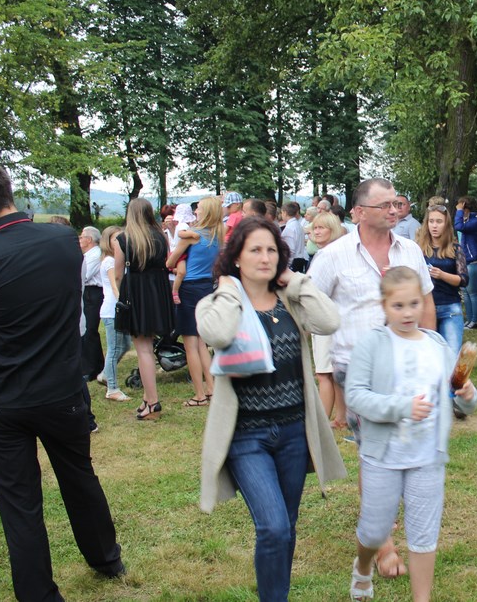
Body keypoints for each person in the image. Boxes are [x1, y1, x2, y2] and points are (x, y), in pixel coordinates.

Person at [0, 161, 125, 600]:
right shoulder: (64, 240)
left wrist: (3, 330)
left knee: (19, 502)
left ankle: (38, 593)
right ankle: (107, 559)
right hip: (61, 389)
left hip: (4, 397)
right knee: (79, 478)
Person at [196, 217, 346, 602]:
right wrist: (231, 291)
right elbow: (218, 334)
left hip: (294, 431)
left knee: (287, 526)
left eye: (272, 250)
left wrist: (295, 281)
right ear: (236, 256)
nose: (265, 258)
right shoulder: (216, 303)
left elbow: (329, 321)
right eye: (255, 250)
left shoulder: (289, 300)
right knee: (274, 527)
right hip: (247, 437)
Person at [308, 177, 435, 579]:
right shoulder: (333, 256)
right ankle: (383, 545)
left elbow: (426, 302)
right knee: (376, 452)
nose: (395, 210)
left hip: (409, 368)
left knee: (407, 449)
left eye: (397, 203)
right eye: (385, 205)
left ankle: (386, 516)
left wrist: (432, 354)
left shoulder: (410, 250)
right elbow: (309, 305)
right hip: (358, 372)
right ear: (360, 212)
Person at [345, 267, 477, 602]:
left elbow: (461, 396)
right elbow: (356, 395)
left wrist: (468, 395)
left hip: (428, 455)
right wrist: (401, 407)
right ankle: (364, 566)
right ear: (384, 306)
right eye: (398, 306)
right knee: (374, 530)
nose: (407, 313)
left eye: (414, 304)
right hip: (383, 455)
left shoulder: (437, 345)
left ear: (423, 302)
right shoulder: (372, 344)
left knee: (424, 534)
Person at [115, 197, 175, 420]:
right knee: (147, 347)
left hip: (137, 294)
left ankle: (153, 402)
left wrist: (120, 294)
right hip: (158, 292)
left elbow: (118, 274)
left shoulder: (124, 239)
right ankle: (147, 399)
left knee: (144, 350)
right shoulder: (161, 236)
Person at [168, 196, 223, 408]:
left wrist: (175, 265)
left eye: (198, 208)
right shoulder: (218, 235)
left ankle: (199, 394)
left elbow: (170, 261)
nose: (195, 211)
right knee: (202, 343)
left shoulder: (193, 236)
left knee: (190, 344)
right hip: (206, 287)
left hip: (188, 288)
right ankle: (212, 389)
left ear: (205, 212)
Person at [309, 211, 349, 427]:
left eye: (321, 228)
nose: (316, 232)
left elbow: (315, 291)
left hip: (326, 318)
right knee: (333, 373)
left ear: (332, 230)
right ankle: (341, 417)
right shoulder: (336, 253)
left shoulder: (327, 255)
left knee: (324, 373)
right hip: (334, 318)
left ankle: (321, 423)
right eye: (314, 228)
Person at [416, 201, 467, 354]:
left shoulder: (455, 248)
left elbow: (464, 280)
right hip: (424, 309)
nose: (434, 226)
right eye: (431, 221)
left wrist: (442, 275)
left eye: (439, 221)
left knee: (451, 355)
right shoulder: (417, 249)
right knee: (428, 356)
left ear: (446, 224)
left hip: (450, 307)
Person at [96, 226, 131, 401]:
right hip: (112, 310)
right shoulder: (110, 261)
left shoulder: (116, 260)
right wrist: (123, 305)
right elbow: (115, 284)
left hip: (115, 309)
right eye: (115, 239)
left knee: (125, 345)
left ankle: (105, 374)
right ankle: (112, 388)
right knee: (114, 348)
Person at [454, 196, 477, 329]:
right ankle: (469, 319)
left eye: (461, 207)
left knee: (472, 291)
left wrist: (459, 211)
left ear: (466, 207)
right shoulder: (469, 221)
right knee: (465, 292)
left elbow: (458, 226)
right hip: (467, 260)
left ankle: (475, 320)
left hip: (475, 260)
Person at [78, 226, 104, 381]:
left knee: (90, 329)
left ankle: (91, 368)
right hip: (88, 292)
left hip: (93, 292)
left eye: (81, 237)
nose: (79, 239)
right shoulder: (88, 255)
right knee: (89, 329)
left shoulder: (95, 255)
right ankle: (95, 364)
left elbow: (85, 276)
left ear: (89, 240)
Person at [280, 202, 310, 272]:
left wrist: (286, 265)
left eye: (281, 213)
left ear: (285, 213)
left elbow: (290, 249)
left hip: (293, 261)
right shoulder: (298, 225)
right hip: (300, 258)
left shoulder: (290, 228)